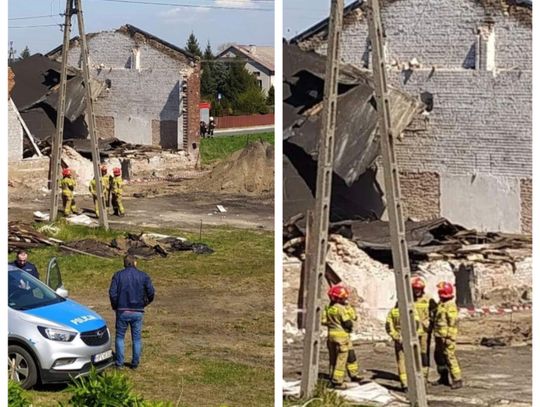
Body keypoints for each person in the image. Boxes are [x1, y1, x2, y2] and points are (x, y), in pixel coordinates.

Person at [109, 255, 155, 369]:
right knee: (137, 338)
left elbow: (112, 293)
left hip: (122, 310)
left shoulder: (118, 275)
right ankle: (135, 363)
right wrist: (144, 303)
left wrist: (116, 306)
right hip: (138, 310)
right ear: (135, 263)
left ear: (124, 263)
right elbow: (151, 292)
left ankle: (119, 363)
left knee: (120, 337)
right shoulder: (143, 276)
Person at [322, 284, 364, 389]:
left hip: (331, 336)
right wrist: (348, 327)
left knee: (346, 355)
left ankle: (353, 374)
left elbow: (323, 321)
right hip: (342, 337)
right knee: (341, 359)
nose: (345, 298)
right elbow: (348, 322)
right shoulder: (340, 308)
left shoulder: (328, 307)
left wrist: (333, 323)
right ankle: (337, 382)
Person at [385, 301, 422, 391]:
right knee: (414, 360)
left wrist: (396, 336)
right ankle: (416, 382)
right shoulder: (411, 310)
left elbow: (388, 326)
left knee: (401, 361)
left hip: (400, 339)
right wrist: (415, 336)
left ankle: (404, 383)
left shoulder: (393, 312)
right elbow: (416, 324)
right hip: (410, 339)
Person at [432, 281, 463, 389]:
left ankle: (457, 379)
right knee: (439, 357)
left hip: (446, 337)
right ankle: (443, 377)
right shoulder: (442, 303)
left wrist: (449, 337)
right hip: (439, 335)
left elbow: (452, 323)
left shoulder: (450, 305)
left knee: (449, 357)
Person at [411, 276, 437, 379]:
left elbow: (435, 312)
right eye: (415, 289)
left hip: (425, 330)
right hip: (413, 329)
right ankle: (414, 371)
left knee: (424, 351)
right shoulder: (409, 299)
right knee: (413, 351)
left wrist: (430, 322)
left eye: (419, 289)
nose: (417, 291)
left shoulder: (428, 299)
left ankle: (424, 373)